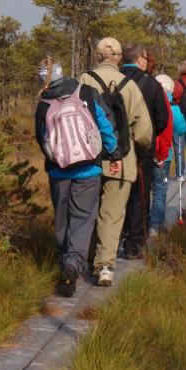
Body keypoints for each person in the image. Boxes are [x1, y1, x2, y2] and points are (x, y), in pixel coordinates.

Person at [34, 60, 121, 298]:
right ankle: (74, 264)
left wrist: (56, 161)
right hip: (89, 170)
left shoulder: (44, 105)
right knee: (83, 219)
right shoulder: (84, 92)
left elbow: (42, 140)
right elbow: (104, 124)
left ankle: (65, 262)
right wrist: (113, 152)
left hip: (59, 171)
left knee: (63, 220)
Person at [78, 37, 152, 286]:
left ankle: (81, 260)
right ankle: (106, 265)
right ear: (119, 58)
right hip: (121, 161)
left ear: (98, 56)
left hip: (87, 159)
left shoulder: (83, 80)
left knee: (86, 212)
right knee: (111, 214)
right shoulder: (130, 86)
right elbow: (143, 133)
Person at [119, 42, 170, 257]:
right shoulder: (151, 84)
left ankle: (112, 240)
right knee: (139, 196)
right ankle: (134, 245)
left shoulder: (113, 80)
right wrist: (149, 138)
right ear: (140, 59)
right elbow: (163, 118)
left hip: (113, 149)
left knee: (114, 194)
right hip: (142, 151)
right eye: (146, 58)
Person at [151, 74, 186, 233]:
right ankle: (156, 226)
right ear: (170, 89)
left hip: (146, 152)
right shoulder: (173, 106)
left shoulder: (147, 100)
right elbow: (181, 129)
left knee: (145, 190)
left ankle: (140, 224)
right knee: (160, 190)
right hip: (164, 154)